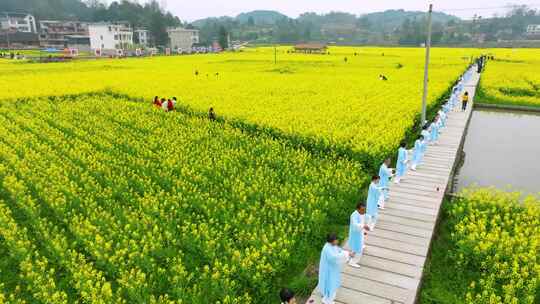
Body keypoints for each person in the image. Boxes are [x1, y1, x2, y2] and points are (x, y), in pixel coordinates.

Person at [318, 233, 352, 304]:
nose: (337, 241)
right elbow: (334, 257)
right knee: (330, 284)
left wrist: (347, 253)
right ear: (332, 241)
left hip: (333, 269)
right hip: (328, 270)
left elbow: (339, 250)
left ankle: (328, 299)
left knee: (332, 283)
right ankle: (327, 300)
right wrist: (345, 255)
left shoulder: (332, 246)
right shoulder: (327, 249)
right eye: (336, 240)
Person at [348, 203, 369, 268]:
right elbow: (355, 225)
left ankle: (350, 256)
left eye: (364, 210)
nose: (364, 211)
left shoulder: (361, 214)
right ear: (357, 209)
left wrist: (364, 230)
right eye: (362, 210)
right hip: (355, 233)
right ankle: (352, 262)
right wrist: (363, 226)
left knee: (356, 246)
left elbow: (363, 222)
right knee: (358, 248)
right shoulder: (354, 215)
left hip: (359, 232)